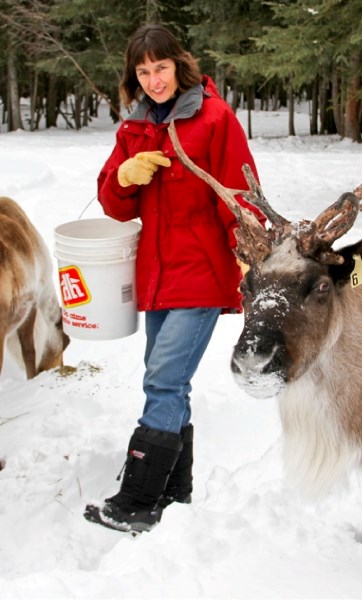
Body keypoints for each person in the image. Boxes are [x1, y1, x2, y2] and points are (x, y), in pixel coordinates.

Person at [84, 23, 264, 533]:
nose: (153, 80)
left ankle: (137, 501)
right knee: (165, 380)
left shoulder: (213, 118)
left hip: (203, 273)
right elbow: (114, 205)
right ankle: (173, 493)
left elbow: (239, 194)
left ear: (178, 65)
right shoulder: (135, 126)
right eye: (143, 72)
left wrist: (251, 255)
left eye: (160, 68)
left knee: (164, 381)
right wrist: (123, 175)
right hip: (159, 278)